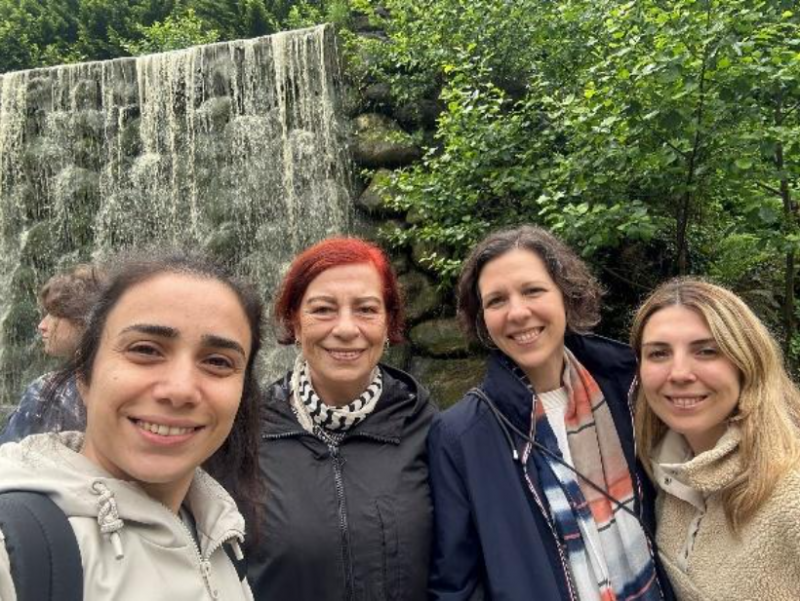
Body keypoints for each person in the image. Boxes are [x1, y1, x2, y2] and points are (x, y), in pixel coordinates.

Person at [0, 251, 264, 601]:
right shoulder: (13, 548)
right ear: (84, 374)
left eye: (218, 361)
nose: (180, 390)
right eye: (146, 350)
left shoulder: (221, 532)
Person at [428, 225, 671, 601]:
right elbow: (455, 584)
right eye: (496, 301)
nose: (517, 312)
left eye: (533, 291)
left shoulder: (631, 390)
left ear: (565, 295)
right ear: (482, 319)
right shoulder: (459, 436)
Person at [247, 237, 437, 601]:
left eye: (366, 309)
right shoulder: (245, 434)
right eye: (323, 310)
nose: (346, 329)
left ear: (388, 322)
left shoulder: (428, 428)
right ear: (295, 321)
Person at [630, 277, 800, 600]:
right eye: (659, 353)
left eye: (706, 351)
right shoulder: (665, 480)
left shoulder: (791, 493)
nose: (679, 373)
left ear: (746, 362)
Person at [1, 264, 105, 444]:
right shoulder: (120, 382)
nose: (42, 325)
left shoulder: (45, 391)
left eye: (54, 315)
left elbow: (7, 454)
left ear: (82, 321)